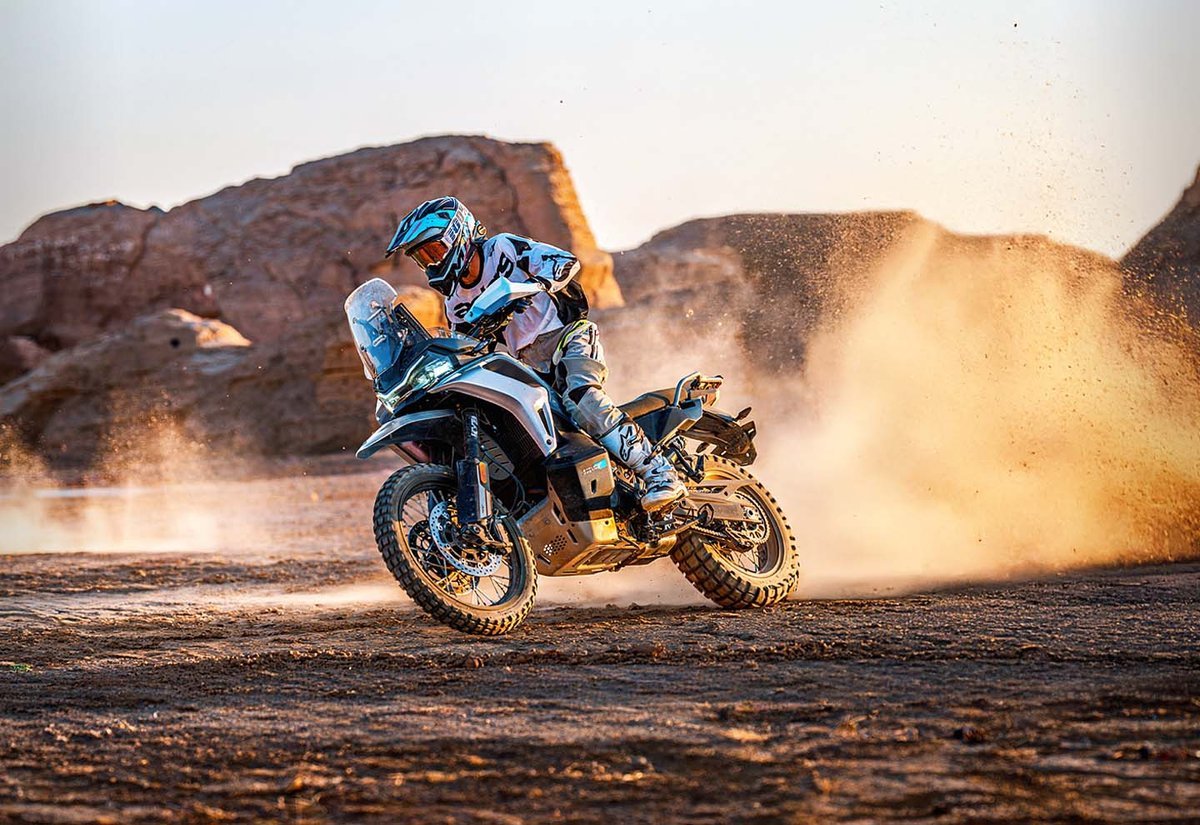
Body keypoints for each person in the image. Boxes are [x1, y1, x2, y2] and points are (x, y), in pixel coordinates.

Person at [384, 196, 686, 511]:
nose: (432, 264)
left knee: (582, 397)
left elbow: (565, 262)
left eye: (434, 251)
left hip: (567, 338)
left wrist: (532, 286)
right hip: (530, 364)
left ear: (457, 236)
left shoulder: (501, 249)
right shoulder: (455, 302)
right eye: (423, 259)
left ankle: (660, 473)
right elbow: (464, 346)